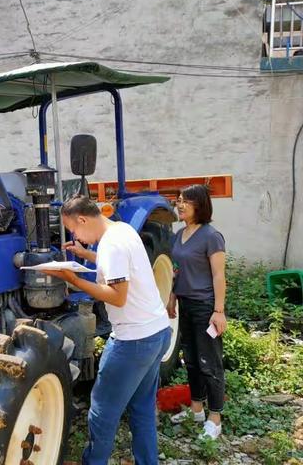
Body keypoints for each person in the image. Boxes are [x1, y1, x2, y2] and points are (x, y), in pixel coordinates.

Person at [42, 195, 171, 465]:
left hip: (133, 342)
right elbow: (119, 264)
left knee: (102, 412)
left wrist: (73, 279)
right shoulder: (122, 230)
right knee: (142, 409)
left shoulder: (112, 245)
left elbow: (117, 296)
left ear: (82, 219)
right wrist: (85, 255)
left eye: (74, 229)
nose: (76, 235)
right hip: (158, 332)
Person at [167, 184, 227, 440]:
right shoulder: (178, 235)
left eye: (186, 201)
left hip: (206, 307)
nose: (180, 205)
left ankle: (215, 418)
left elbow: (218, 275)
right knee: (190, 359)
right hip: (185, 305)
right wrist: (171, 296)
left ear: (200, 205)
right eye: (179, 200)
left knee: (209, 362)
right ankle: (196, 410)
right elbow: (176, 269)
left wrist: (219, 311)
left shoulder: (211, 236)